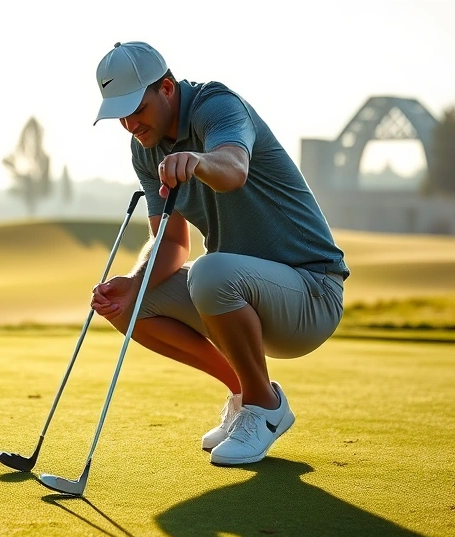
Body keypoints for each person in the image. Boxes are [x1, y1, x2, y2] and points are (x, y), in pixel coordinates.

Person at [89, 41, 349, 465]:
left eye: (136, 107)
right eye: (120, 113)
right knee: (128, 305)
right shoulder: (145, 148)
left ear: (168, 88)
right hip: (240, 294)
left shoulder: (217, 106)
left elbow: (233, 170)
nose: (130, 123)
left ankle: (265, 408)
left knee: (210, 273)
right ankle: (247, 394)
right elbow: (172, 242)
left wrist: (197, 160)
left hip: (312, 292)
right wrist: (133, 284)